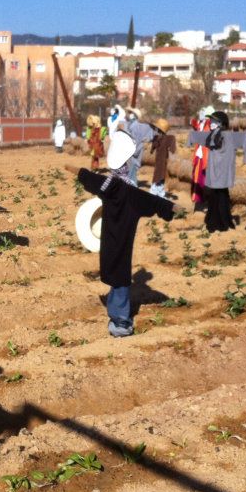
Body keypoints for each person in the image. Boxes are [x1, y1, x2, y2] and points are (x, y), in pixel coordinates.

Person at [78, 130, 175, 337]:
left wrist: (80, 173)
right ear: (126, 163)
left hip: (107, 240)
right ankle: (121, 322)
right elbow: (154, 203)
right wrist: (171, 208)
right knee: (121, 279)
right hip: (122, 240)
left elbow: (88, 177)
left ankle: (115, 313)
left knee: (114, 276)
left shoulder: (106, 185)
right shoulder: (130, 192)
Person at [187, 111, 246, 232]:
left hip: (224, 173)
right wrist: (190, 139)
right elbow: (194, 135)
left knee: (222, 196)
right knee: (214, 196)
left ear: (221, 124)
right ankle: (214, 220)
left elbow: (245, 137)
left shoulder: (230, 136)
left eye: (215, 122)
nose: (211, 123)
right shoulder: (210, 135)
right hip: (213, 172)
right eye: (211, 121)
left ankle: (222, 222)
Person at [190, 106, 214, 206]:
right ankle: (198, 198)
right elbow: (195, 125)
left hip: (206, 156)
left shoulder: (209, 124)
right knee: (197, 177)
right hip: (199, 155)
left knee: (203, 178)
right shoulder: (201, 124)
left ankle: (204, 199)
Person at [124, 108, 155, 187]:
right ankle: (132, 182)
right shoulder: (147, 126)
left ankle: (132, 183)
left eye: (132, 114)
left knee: (132, 166)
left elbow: (151, 132)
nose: (131, 115)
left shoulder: (137, 125)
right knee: (133, 166)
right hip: (135, 148)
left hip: (134, 147)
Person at [148, 118, 175, 198]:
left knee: (161, 174)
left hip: (163, 160)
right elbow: (153, 147)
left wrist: (172, 148)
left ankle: (159, 191)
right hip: (159, 160)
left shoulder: (167, 138)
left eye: (157, 129)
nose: (156, 130)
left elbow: (172, 139)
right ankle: (155, 190)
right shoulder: (157, 138)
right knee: (158, 174)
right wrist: (152, 148)